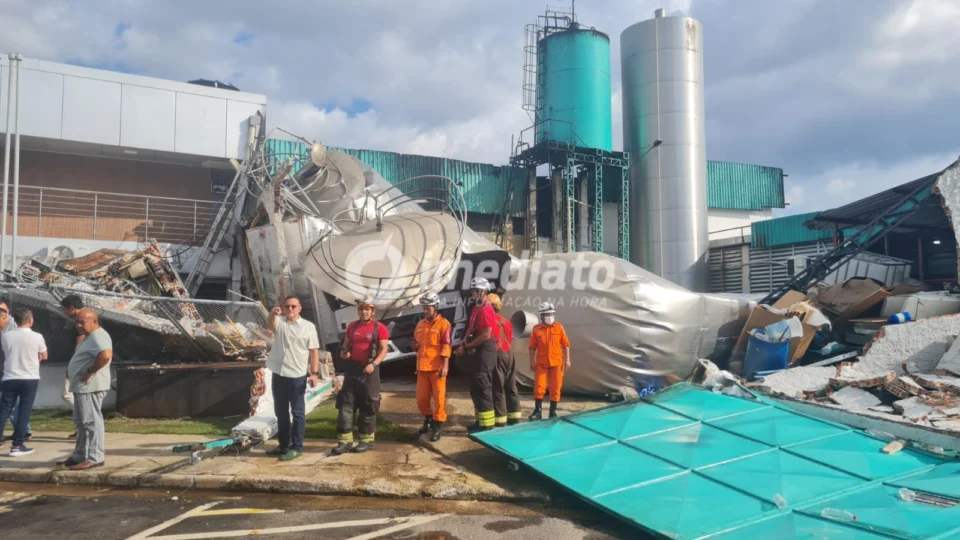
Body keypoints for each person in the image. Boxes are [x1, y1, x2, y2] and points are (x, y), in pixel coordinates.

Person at [265, 296, 321, 461]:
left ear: (299, 308)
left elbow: (313, 351)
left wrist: (314, 373)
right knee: (281, 412)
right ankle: (283, 445)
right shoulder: (280, 323)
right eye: (287, 306)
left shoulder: (308, 327)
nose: (290, 309)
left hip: (297, 376)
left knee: (297, 412)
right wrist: (273, 313)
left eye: (293, 306)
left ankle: (297, 447)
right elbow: (270, 323)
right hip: (279, 374)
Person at [333, 295, 388, 455]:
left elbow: (384, 349)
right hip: (352, 370)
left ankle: (366, 440)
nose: (364, 312)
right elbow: (346, 345)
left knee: (368, 404)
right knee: (346, 404)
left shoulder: (380, 328)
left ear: (372, 311)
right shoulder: (352, 326)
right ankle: (345, 442)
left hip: (370, 371)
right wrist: (344, 353)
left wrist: (374, 364)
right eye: (361, 309)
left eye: (367, 309)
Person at [59, 308, 113, 470]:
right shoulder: (90, 336)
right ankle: (79, 455)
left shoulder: (98, 335)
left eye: (83, 322)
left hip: (90, 387)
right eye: (77, 322)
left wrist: (90, 371)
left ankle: (95, 457)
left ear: (95, 322)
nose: (79, 325)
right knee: (81, 422)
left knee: (91, 422)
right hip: (82, 387)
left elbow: (106, 355)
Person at [0, 308, 48, 456]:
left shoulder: (6, 336)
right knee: (24, 410)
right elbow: (44, 355)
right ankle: (18, 444)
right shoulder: (37, 336)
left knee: (4, 409)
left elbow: (7, 352)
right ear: (30, 320)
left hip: (9, 376)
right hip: (29, 377)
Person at [454, 277, 498, 433]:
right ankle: (480, 422)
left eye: (477, 291)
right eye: (473, 291)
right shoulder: (476, 308)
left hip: (485, 350)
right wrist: (463, 344)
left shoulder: (486, 309)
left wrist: (466, 346)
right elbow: (470, 329)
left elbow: (486, 335)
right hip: (476, 350)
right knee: (475, 388)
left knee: (482, 387)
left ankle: (487, 426)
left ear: (485, 292)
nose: (474, 294)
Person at [410, 292, 451, 442]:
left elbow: (446, 346)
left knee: (439, 399)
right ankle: (428, 420)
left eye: (428, 307)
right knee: (421, 399)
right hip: (422, 367)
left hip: (437, 368)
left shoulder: (443, 324)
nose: (425, 310)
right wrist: (414, 346)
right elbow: (416, 344)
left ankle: (438, 425)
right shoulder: (420, 325)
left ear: (435, 307)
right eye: (424, 307)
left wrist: (445, 366)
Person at [528, 302, 570, 420]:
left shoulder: (559, 327)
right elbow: (532, 347)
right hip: (542, 363)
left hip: (557, 363)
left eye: (551, 313)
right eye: (547, 314)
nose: (549, 316)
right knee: (539, 387)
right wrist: (532, 361)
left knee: (556, 387)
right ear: (541, 315)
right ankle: (538, 412)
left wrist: (567, 360)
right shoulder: (536, 329)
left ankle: (553, 412)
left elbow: (566, 344)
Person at [0, 299, 31, 445]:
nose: (1, 315)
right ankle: (22, 430)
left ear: (8, 312)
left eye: (3, 312)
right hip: (7, 369)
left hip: (12, 370)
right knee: (9, 403)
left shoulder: (12, 326)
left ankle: (23, 430)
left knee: (10, 403)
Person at [488, 294, 521, 427]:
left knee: (498, 387)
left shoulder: (489, 321)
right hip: (509, 354)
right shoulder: (507, 322)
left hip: (497, 355)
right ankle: (515, 417)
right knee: (511, 386)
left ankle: (500, 419)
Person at [60, 294, 85, 440]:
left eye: (65, 309)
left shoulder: (80, 322)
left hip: (79, 363)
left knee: (67, 394)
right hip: (84, 363)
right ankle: (81, 426)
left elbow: (80, 345)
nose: (65, 312)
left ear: (72, 308)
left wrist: (72, 365)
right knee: (76, 395)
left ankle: (82, 425)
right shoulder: (88, 319)